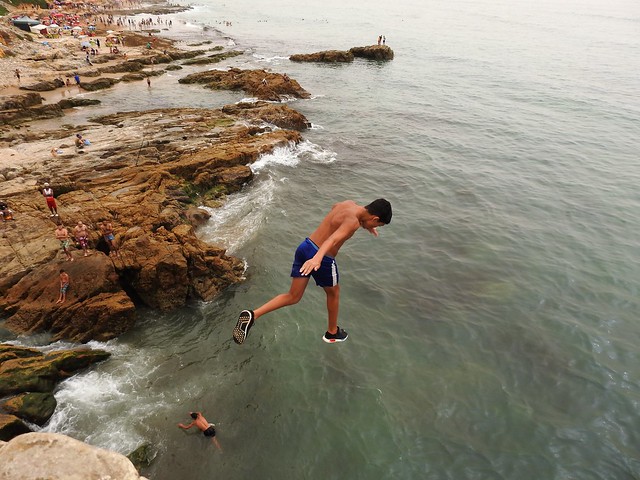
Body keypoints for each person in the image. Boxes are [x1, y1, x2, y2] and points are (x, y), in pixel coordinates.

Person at [233, 199, 392, 345]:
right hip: (321, 258)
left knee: (293, 296)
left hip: (305, 247)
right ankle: (332, 332)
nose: (375, 228)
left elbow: (334, 209)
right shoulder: (353, 223)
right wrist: (317, 259)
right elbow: (332, 240)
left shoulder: (348, 204)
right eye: (377, 225)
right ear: (375, 218)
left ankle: (253, 315)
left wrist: (367, 226)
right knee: (334, 293)